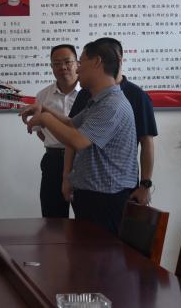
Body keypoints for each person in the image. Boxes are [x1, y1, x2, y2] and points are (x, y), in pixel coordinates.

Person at [20, 38, 138, 236]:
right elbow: (71, 123)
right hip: (92, 194)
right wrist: (45, 109)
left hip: (106, 199)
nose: (78, 69)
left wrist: (45, 119)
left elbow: (78, 140)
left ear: (97, 62)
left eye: (81, 62)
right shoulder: (99, 100)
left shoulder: (112, 104)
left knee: (99, 253)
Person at [66, 37, 157, 205]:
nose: (78, 69)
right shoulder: (87, 93)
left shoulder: (134, 96)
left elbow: (147, 142)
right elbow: (71, 130)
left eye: (81, 62)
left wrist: (145, 184)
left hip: (112, 188)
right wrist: (67, 177)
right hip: (88, 186)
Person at [30, 44, 81, 218]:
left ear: (77, 64)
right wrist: (56, 144)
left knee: (87, 218)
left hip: (82, 162)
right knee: (52, 220)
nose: (63, 67)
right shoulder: (43, 96)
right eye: (57, 63)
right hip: (53, 162)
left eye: (67, 62)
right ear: (51, 67)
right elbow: (40, 132)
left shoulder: (88, 94)